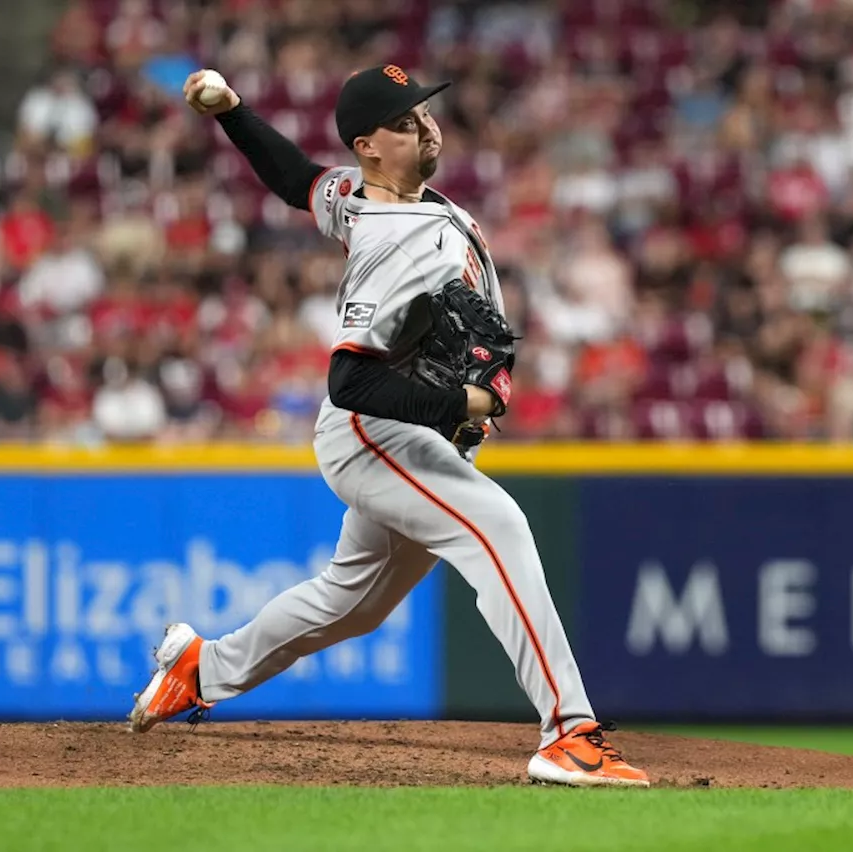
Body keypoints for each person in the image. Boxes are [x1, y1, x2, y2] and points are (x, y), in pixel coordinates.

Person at [126, 64, 649, 787]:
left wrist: (233, 112)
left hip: (408, 436)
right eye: (406, 122)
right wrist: (466, 403)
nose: (426, 125)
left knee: (354, 602)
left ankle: (202, 667)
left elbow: (298, 178)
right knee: (497, 527)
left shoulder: (360, 194)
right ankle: (568, 732)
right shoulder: (390, 242)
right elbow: (351, 380)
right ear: (370, 145)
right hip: (372, 432)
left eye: (425, 113)